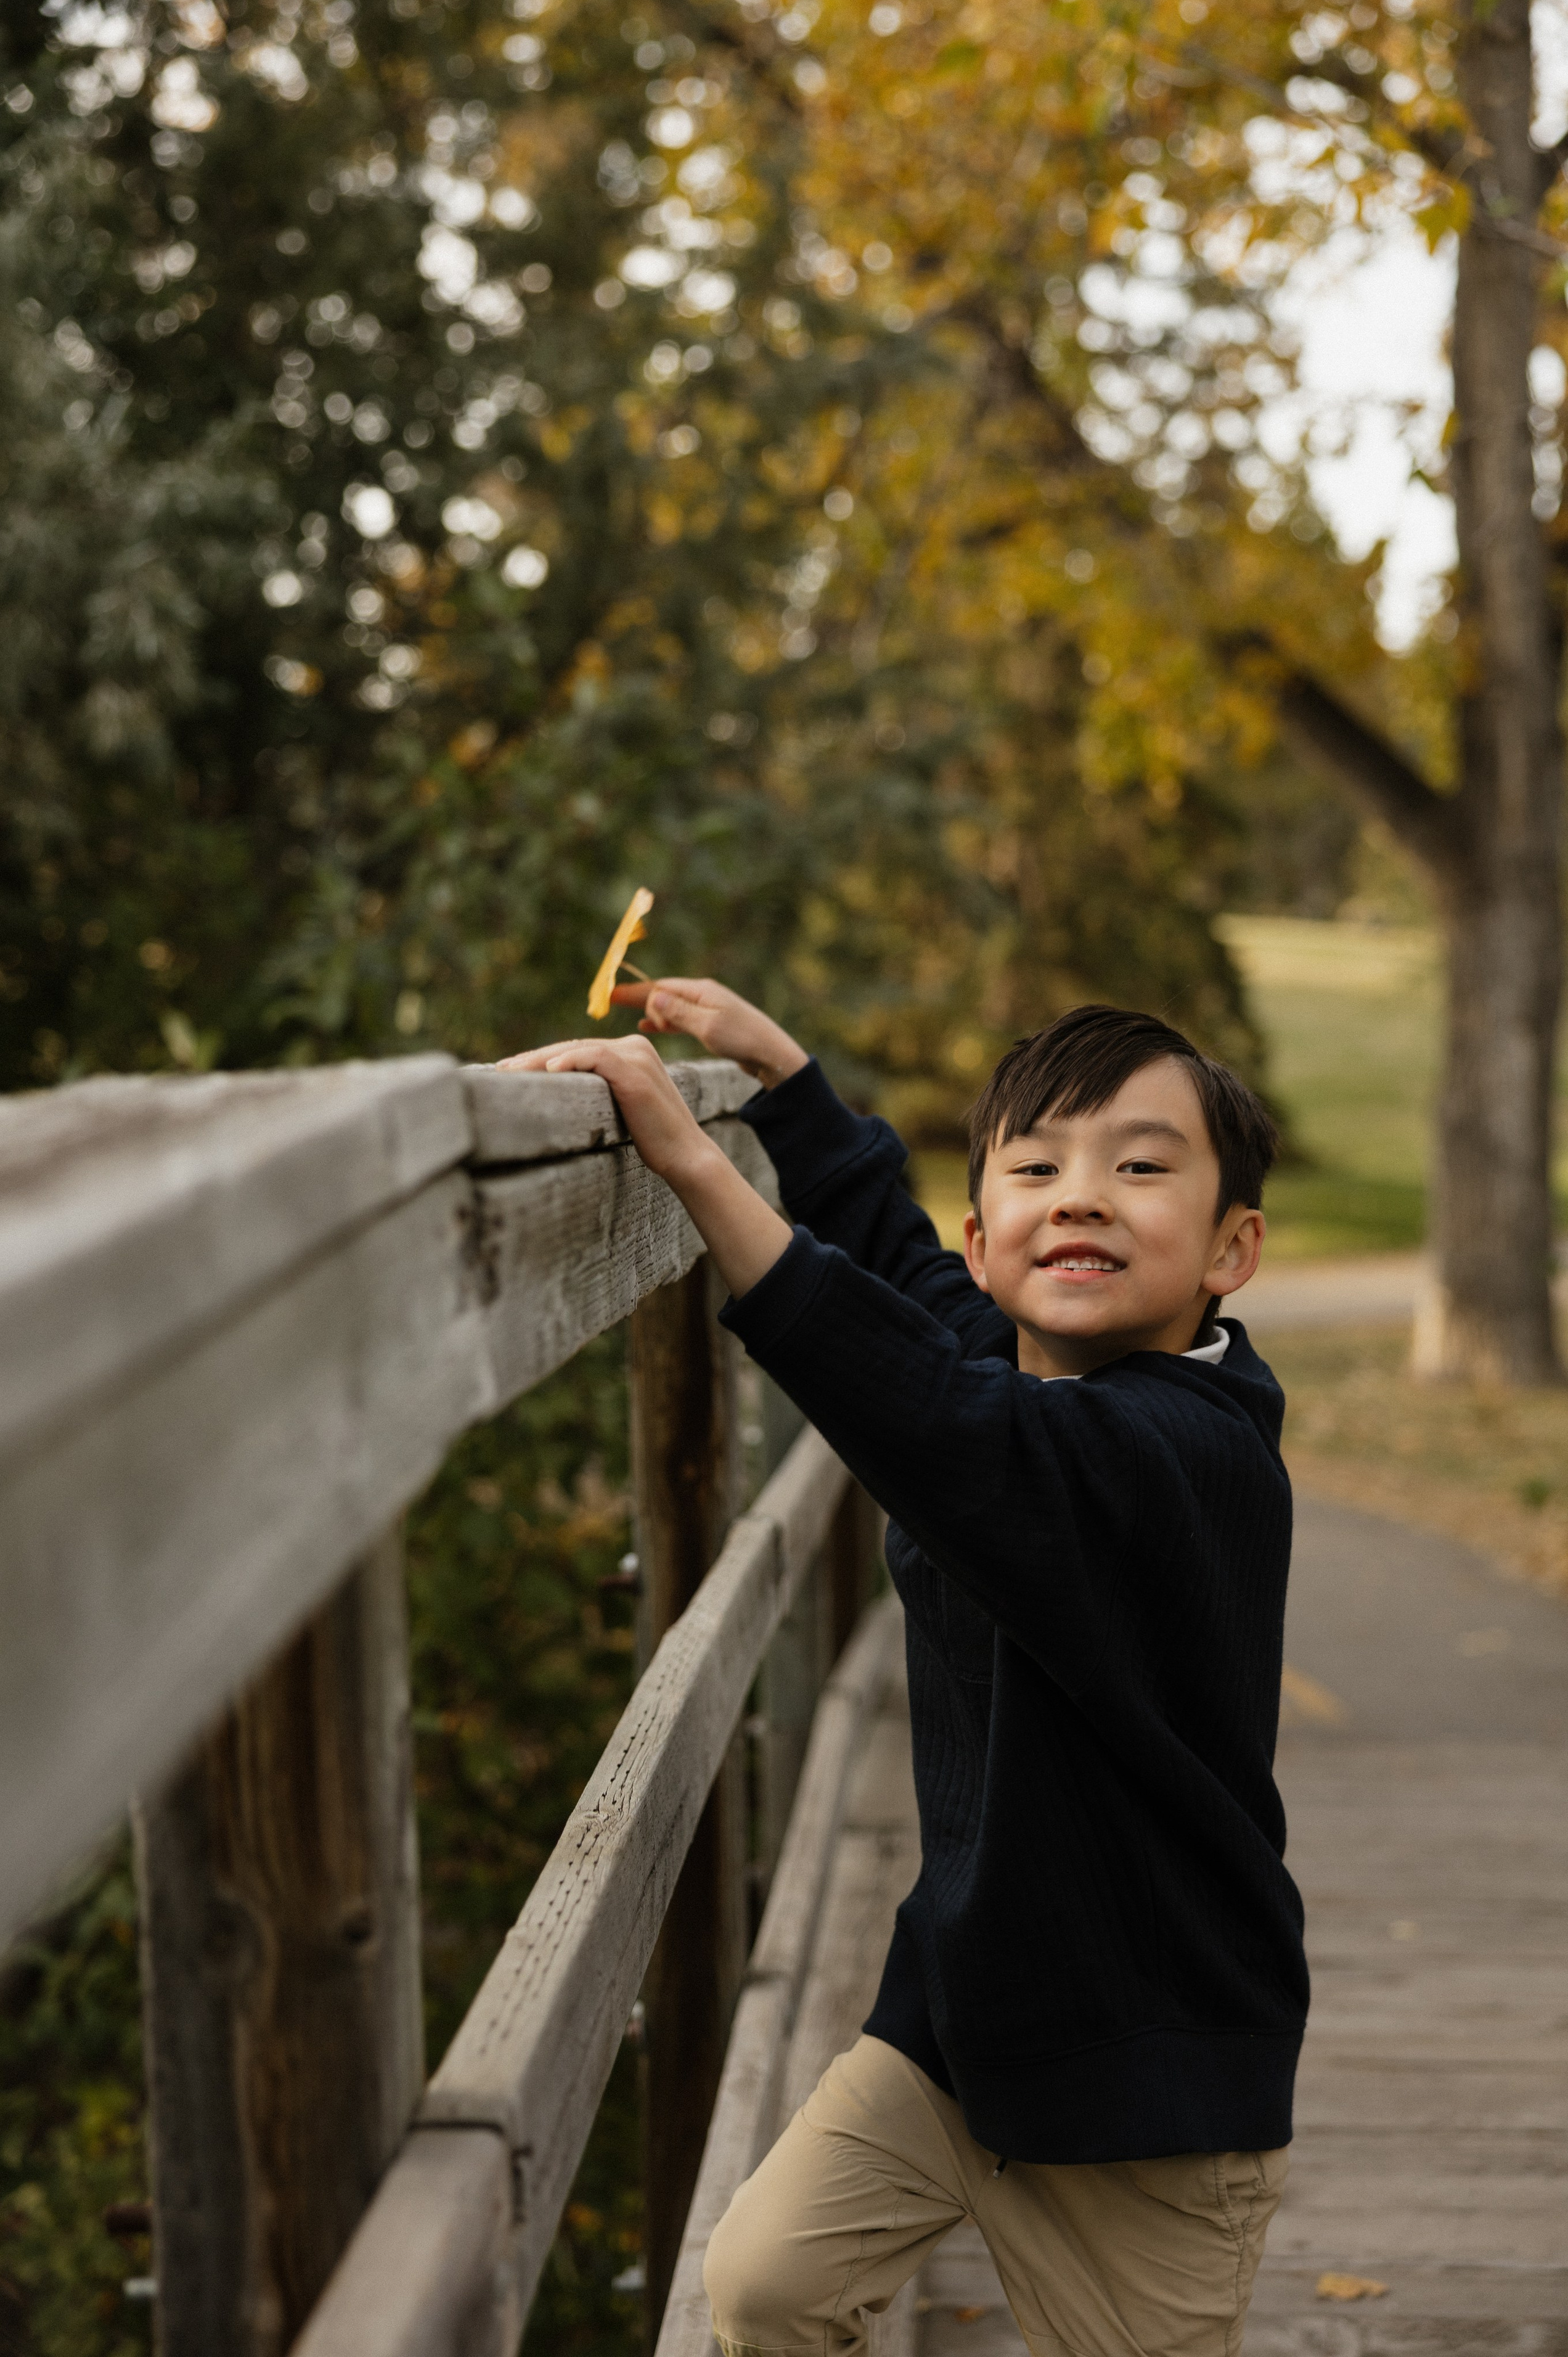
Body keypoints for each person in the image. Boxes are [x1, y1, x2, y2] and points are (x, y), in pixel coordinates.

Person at [500, 980, 1308, 2357]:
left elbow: (939, 1421)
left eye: (1139, 1165)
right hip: (961, 2022)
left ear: (1230, 1250)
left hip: (1142, 2073)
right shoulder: (1016, 1359)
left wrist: (696, 1163)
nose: (1083, 1196)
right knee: (764, 2286)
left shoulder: (1187, 1454)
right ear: (990, 1241)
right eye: (1036, 1167)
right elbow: (909, 1287)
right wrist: (783, 1083)